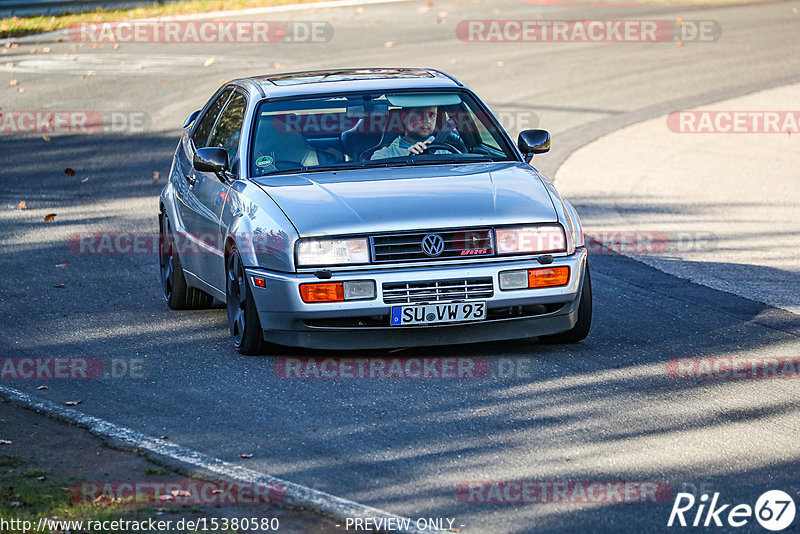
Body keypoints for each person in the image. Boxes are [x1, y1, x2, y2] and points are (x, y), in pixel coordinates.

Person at [371, 106, 449, 159]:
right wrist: (407, 161)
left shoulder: (446, 152)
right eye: (420, 114)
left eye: (432, 115)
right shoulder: (384, 155)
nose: (427, 121)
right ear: (404, 117)